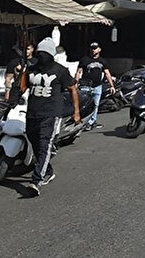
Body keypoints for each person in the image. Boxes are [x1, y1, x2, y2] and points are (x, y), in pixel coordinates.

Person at [21, 38, 79, 196]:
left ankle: (36, 181)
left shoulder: (60, 70)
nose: (42, 56)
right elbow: (22, 87)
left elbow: (73, 89)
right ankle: (48, 170)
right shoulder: (31, 69)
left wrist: (76, 112)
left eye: (45, 53)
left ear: (51, 55)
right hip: (32, 113)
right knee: (35, 143)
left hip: (51, 114)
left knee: (45, 144)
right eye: (40, 53)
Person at [75, 41, 116, 131]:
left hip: (97, 86)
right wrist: (75, 83)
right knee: (85, 105)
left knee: (95, 105)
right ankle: (83, 122)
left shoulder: (103, 61)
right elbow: (78, 72)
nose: (93, 50)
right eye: (92, 48)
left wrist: (112, 86)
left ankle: (92, 122)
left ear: (99, 49)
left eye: (95, 48)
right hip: (85, 86)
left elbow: (107, 73)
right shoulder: (84, 60)